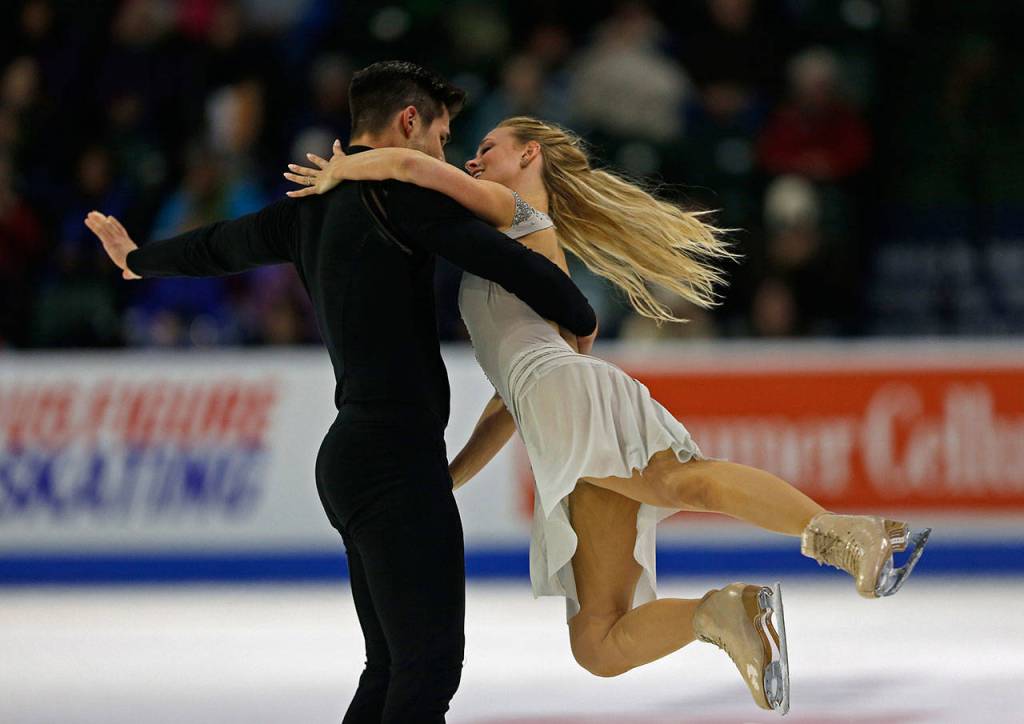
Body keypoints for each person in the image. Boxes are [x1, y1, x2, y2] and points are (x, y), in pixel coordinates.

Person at [284, 116, 932, 715]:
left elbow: (421, 171)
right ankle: (723, 612)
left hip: (565, 398)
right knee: (598, 641)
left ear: (529, 155)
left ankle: (847, 536)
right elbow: (509, 397)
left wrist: (351, 166)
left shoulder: (516, 213)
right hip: (550, 413)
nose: (473, 161)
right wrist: (447, 477)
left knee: (683, 481)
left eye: (487, 149)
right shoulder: (516, 249)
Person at [85, 62, 597, 724]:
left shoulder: (308, 207)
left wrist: (137, 260)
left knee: (389, 668)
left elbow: (219, 246)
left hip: (351, 460)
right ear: (408, 123)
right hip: (395, 457)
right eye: (442, 138)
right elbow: (513, 263)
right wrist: (580, 319)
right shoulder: (402, 198)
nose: (448, 158)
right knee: (427, 670)